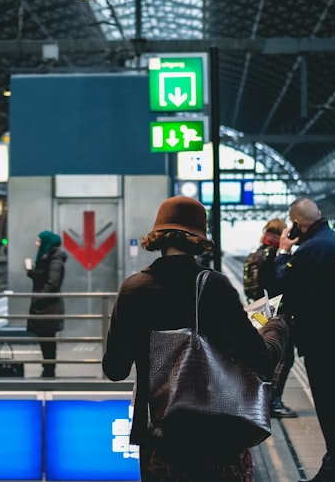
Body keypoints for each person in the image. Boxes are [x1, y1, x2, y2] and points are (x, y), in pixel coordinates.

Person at [103, 196, 289, 482]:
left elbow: (115, 370)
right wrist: (275, 327)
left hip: (159, 439)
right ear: (198, 239)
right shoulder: (213, 286)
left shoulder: (132, 289)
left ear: (158, 237)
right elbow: (261, 361)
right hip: (216, 438)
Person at [275, 197, 335, 482]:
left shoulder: (311, 250)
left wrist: (282, 253)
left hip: (323, 345)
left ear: (297, 224)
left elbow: (281, 286)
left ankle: (334, 473)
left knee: (329, 411)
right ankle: (333, 468)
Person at [248, 217, 298, 419]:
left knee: (267, 354)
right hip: (275, 312)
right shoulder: (271, 255)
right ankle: (273, 402)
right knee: (284, 358)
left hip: (257, 310)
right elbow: (277, 284)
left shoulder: (255, 254)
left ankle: (264, 401)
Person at [26, 230, 67, 378]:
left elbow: (52, 283)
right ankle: (47, 369)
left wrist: (39, 298)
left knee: (48, 340)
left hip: (49, 306)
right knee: (45, 339)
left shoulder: (54, 258)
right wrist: (32, 273)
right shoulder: (50, 257)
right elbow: (46, 279)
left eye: (39, 241)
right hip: (45, 305)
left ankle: (49, 370)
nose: (37, 244)